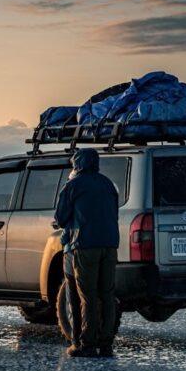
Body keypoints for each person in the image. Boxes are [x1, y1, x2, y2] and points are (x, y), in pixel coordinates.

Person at [53, 148, 120, 358]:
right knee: (107, 295)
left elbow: (61, 218)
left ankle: (86, 344)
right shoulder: (108, 184)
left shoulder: (73, 185)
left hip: (84, 245)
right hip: (109, 245)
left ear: (77, 164)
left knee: (87, 296)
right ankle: (106, 343)